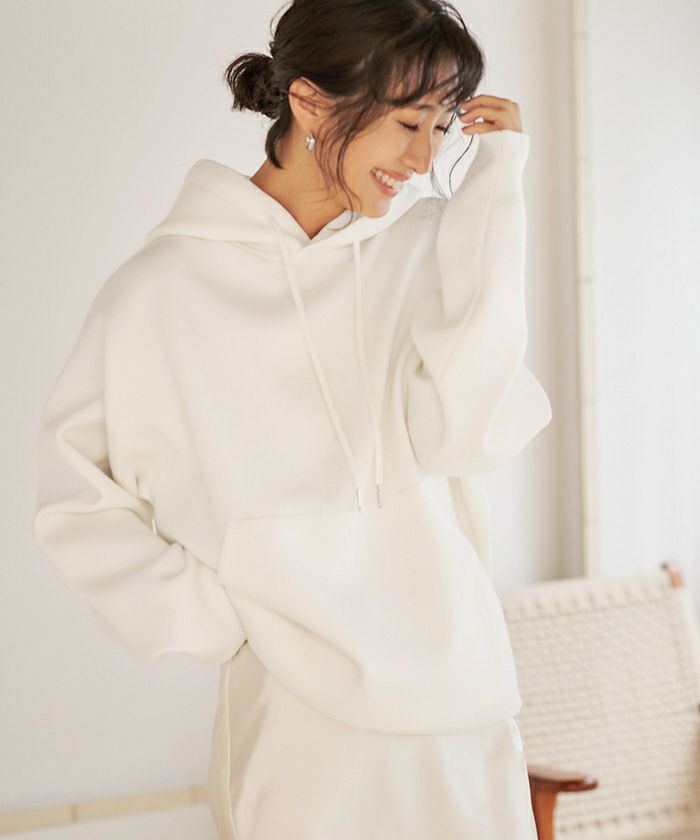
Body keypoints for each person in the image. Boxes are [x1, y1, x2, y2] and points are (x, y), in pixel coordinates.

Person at [32, 0, 552, 837]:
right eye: (407, 124)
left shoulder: (421, 248)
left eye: (441, 127)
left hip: (456, 699)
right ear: (309, 101)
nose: (424, 159)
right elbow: (76, 498)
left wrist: (498, 192)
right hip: (295, 718)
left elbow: (469, 432)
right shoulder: (162, 291)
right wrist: (215, 616)